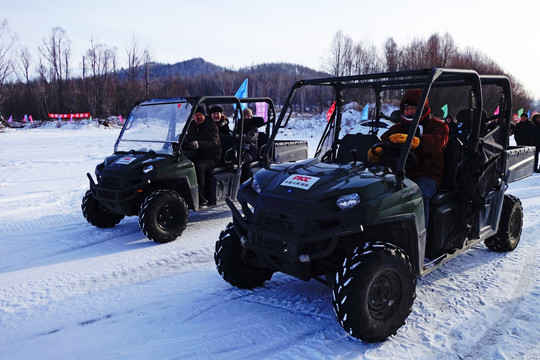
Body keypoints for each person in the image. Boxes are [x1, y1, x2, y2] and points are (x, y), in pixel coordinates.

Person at [367, 89, 449, 225]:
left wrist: (416, 142)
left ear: (422, 109)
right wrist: (377, 152)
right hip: (400, 173)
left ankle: (422, 239)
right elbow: (384, 141)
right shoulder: (398, 127)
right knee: (377, 190)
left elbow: (437, 142)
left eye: (414, 108)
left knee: (420, 194)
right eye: (407, 109)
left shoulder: (437, 125)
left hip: (428, 174)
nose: (410, 112)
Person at [183, 106, 221, 206]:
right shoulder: (191, 125)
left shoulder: (211, 125)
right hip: (197, 154)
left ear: (204, 115)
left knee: (199, 167)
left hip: (212, 156)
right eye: (196, 115)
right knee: (182, 164)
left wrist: (199, 143)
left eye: (200, 115)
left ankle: (201, 197)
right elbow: (188, 137)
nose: (198, 117)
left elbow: (214, 142)